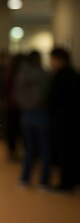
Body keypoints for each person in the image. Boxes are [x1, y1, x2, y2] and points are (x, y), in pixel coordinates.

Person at [13, 50, 51, 188]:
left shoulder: (21, 75)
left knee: (29, 148)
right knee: (44, 148)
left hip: (26, 114)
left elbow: (16, 94)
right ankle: (44, 181)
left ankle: (25, 178)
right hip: (41, 113)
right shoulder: (45, 75)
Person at [48, 47, 80, 191]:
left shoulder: (62, 76)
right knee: (71, 153)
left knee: (65, 154)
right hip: (70, 122)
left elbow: (54, 99)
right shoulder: (73, 74)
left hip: (64, 123)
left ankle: (67, 183)